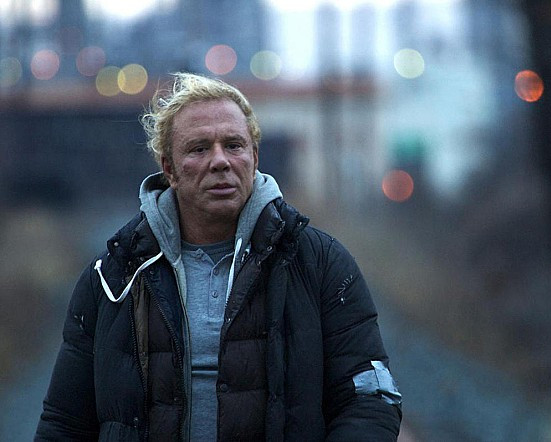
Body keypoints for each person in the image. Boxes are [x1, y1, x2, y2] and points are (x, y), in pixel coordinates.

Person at [35, 73, 402, 441]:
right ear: (169, 168)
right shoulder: (114, 276)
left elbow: (370, 400)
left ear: (254, 158)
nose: (220, 161)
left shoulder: (319, 263)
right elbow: (65, 422)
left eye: (234, 145)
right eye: (199, 149)